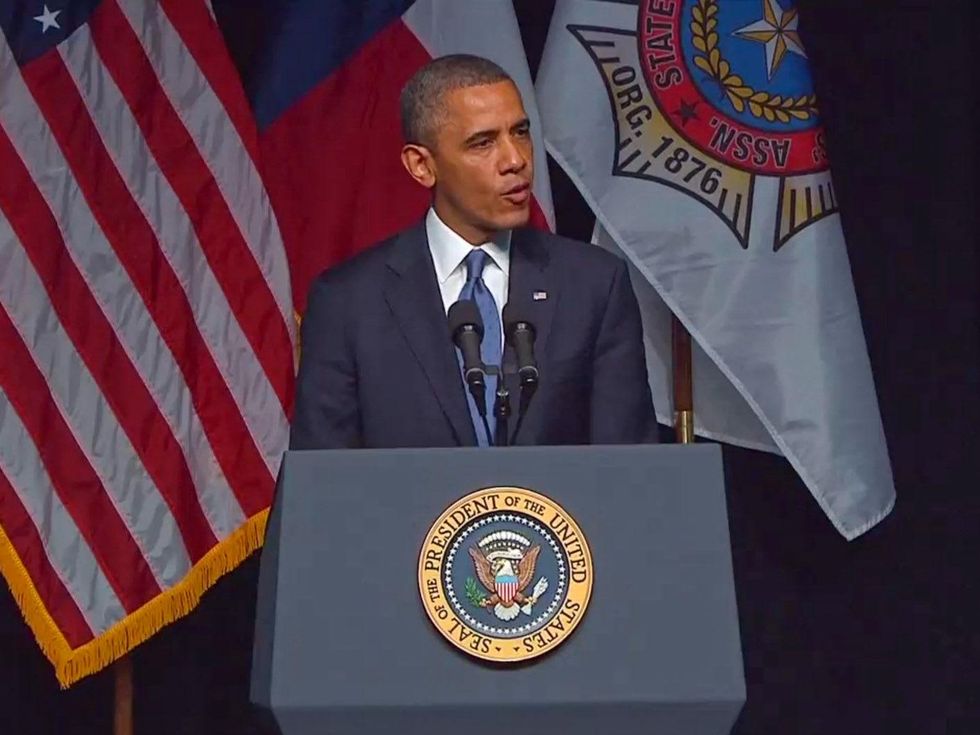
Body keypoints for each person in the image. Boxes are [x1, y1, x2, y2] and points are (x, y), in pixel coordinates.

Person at [290, 54, 656, 449]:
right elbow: (322, 488)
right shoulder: (347, 301)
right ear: (421, 166)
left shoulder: (595, 285)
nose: (516, 160)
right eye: (483, 143)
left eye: (520, 132)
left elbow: (630, 472)